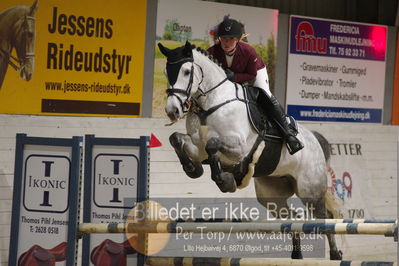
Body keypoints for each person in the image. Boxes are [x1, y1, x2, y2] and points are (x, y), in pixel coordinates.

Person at [207, 18, 303, 155]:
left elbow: (251, 75)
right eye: (223, 39)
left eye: (230, 39)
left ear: (238, 39)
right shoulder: (212, 51)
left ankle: (288, 134)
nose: (226, 43)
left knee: (265, 94)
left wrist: (234, 77)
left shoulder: (248, 51)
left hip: (254, 72)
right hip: (229, 77)